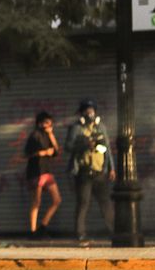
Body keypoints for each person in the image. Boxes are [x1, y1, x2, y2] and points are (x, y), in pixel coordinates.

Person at [65, 99, 115, 241]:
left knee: (105, 203)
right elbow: (68, 147)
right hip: (83, 171)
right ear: (81, 113)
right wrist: (84, 145)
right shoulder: (76, 128)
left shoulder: (100, 128)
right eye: (87, 111)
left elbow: (108, 149)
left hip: (99, 171)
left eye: (92, 110)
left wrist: (111, 168)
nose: (90, 113)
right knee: (83, 203)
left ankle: (113, 230)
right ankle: (80, 233)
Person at [24, 111, 61, 237]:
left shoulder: (48, 135)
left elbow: (57, 151)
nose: (49, 125)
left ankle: (43, 225)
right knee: (36, 201)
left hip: (47, 171)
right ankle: (33, 230)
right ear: (40, 124)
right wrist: (43, 153)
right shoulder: (35, 136)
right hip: (36, 172)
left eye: (50, 122)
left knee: (57, 199)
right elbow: (28, 153)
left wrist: (51, 135)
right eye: (46, 122)